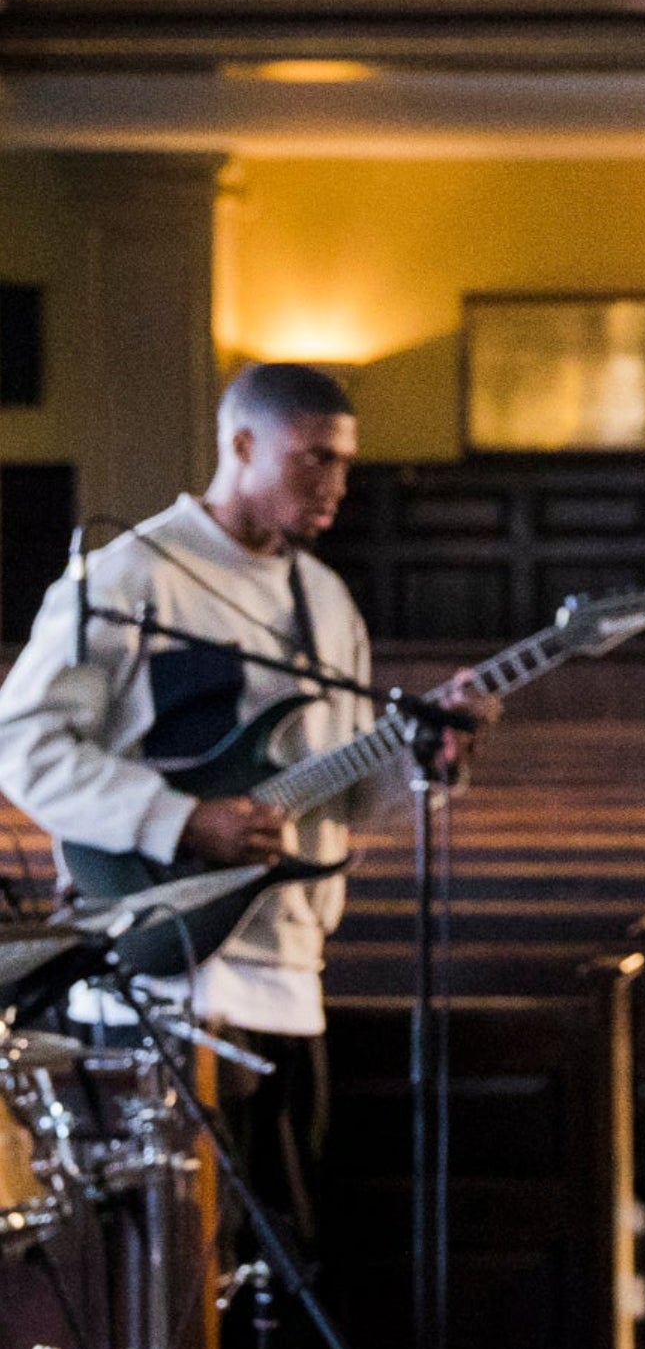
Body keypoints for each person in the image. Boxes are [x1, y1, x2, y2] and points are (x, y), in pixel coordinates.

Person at [0, 360, 491, 1246]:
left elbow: (344, 801)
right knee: (178, 1268)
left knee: (281, 1258)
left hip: (290, 977)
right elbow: (22, 745)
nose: (336, 485)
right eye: (314, 459)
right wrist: (183, 820)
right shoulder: (131, 574)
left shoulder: (326, 600)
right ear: (240, 444)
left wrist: (427, 761)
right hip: (166, 975)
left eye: (345, 463)